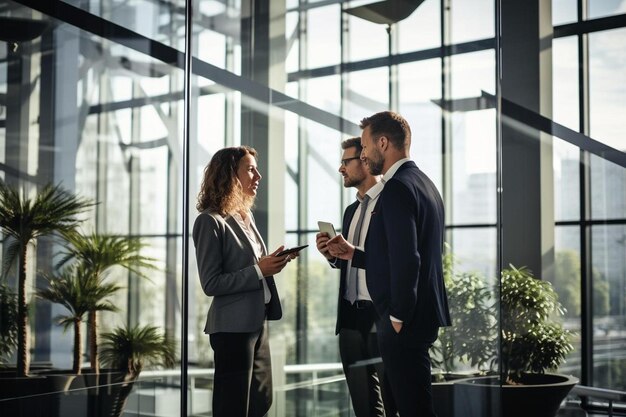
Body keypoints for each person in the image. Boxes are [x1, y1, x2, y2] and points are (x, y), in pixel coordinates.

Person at [327, 111, 451, 417]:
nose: (365, 153)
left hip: (402, 320)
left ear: (383, 142)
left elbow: (408, 259)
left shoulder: (396, 187)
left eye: (367, 146)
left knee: (409, 407)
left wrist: (397, 315)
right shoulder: (426, 184)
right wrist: (353, 254)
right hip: (421, 313)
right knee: (413, 405)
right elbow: (396, 255)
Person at [192, 146, 298, 417]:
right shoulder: (209, 221)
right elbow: (211, 283)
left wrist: (273, 262)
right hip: (231, 328)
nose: (258, 175)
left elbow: (254, 266)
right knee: (233, 407)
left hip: (257, 322)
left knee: (261, 401)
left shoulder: (245, 218)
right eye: (250, 169)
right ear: (230, 175)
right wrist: (259, 270)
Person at [316, 137, 396, 417]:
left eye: (345, 162)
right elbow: (351, 262)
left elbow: (395, 262)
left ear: (364, 161)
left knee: (393, 402)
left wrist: (354, 254)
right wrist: (332, 255)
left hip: (382, 317)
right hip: (350, 319)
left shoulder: (391, 203)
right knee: (365, 408)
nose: (340, 169)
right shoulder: (351, 211)